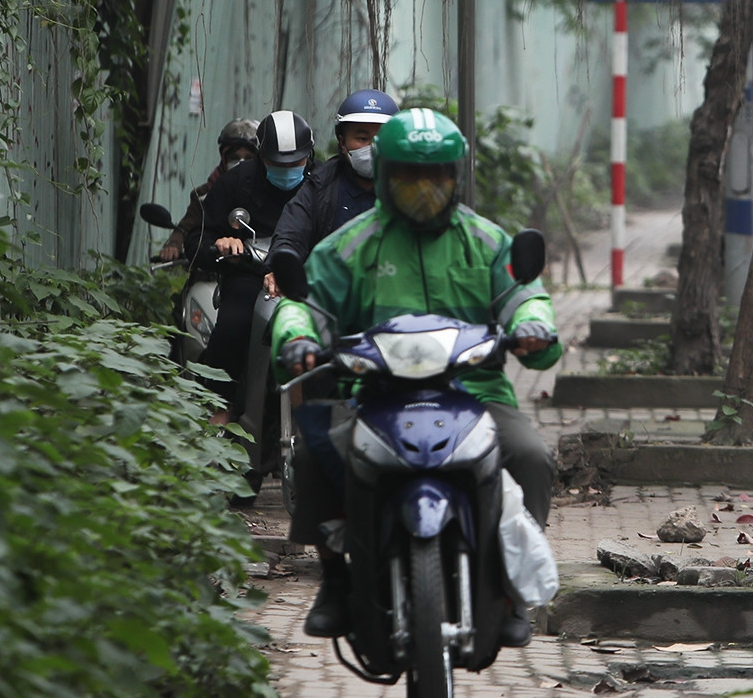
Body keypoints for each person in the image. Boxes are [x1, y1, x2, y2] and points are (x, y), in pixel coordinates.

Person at [272, 109, 563, 643]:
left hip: (474, 391)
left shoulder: (485, 240)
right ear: (385, 175)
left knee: (530, 455)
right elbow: (305, 305)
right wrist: (296, 337)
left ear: (456, 176)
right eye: (409, 175)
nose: (423, 187)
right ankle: (334, 580)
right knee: (314, 451)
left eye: (437, 175)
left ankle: (511, 588)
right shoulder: (350, 245)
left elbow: (525, 295)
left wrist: (533, 327)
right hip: (373, 393)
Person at [195, 110, 314, 420]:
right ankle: (219, 405)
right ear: (262, 156)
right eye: (278, 163)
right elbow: (198, 239)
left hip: (309, 276)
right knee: (233, 323)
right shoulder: (236, 182)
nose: (287, 170)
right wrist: (221, 245)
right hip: (249, 276)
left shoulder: (322, 182)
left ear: (310, 156)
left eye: (296, 163)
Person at [269, 89, 395, 271]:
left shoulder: (407, 185)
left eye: (381, 138)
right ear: (342, 142)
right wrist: (281, 267)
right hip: (332, 282)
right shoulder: (321, 185)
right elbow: (291, 234)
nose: (371, 147)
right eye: (362, 138)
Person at [160, 119, 258, 262]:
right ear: (224, 159)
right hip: (213, 267)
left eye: (249, 158)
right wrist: (174, 244)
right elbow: (187, 226)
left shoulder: (268, 192)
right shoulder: (205, 194)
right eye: (234, 158)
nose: (241, 164)